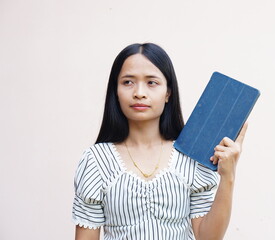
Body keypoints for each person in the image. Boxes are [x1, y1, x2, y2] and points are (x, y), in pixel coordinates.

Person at [72, 43, 248, 240]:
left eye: (151, 82)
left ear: (168, 93)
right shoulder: (96, 161)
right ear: (116, 91)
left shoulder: (191, 157)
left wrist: (228, 175)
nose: (139, 92)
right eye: (128, 82)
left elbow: (208, 238)